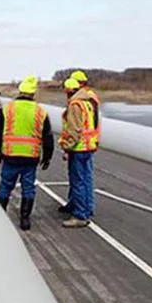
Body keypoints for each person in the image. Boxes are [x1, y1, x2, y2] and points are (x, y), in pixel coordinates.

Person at [0, 75, 53, 231]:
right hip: (30, 159)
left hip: (10, 156)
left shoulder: (7, 109)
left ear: (20, 91)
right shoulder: (40, 112)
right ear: (33, 93)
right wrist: (47, 157)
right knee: (28, 188)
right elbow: (47, 137)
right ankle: (25, 219)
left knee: (5, 186)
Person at [58, 77, 100, 228]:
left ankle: (80, 215)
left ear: (68, 91)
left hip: (78, 148)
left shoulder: (75, 105)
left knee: (78, 182)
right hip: (87, 146)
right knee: (85, 180)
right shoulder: (87, 102)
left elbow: (74, 130)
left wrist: (67, 148)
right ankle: (85, 208)